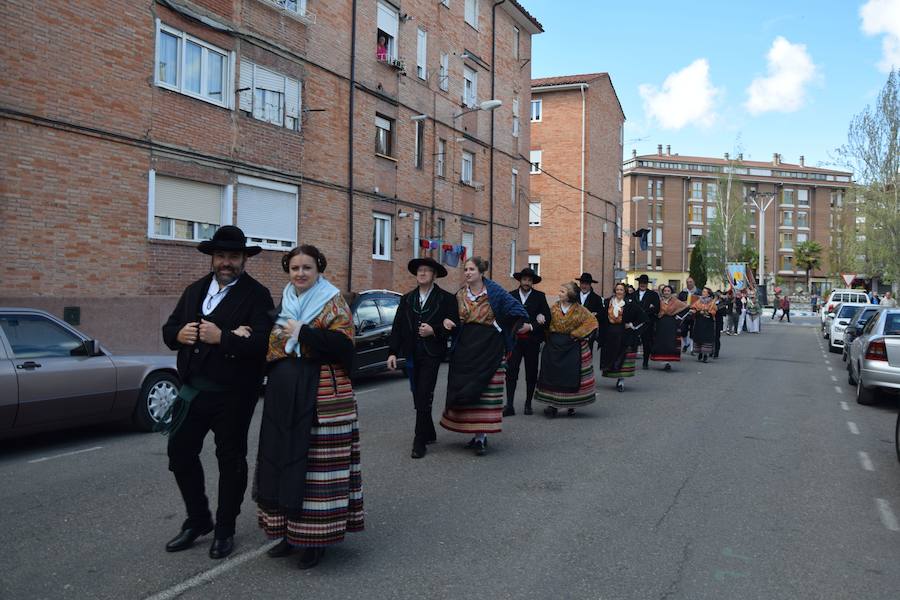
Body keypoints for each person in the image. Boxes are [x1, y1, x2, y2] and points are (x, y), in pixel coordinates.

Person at [161, 225, 274, 560]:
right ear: (212, 258)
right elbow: (169, 330)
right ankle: (199, 519)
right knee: (180, 453)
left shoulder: (257, 295)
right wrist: (178, 335)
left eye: (234, 257)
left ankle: (225, 529)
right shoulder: (194, 290)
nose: (227, 262)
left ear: (244, 260)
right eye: (221, 256)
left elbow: (265, 342)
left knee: (231, 461)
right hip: (193, 392)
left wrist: (222, 337)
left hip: (234, 395)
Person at [255, 245, 363, 570]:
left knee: (318, 469)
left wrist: (304, 333)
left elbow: (344, 345)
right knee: (284, 460)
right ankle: (288, 534)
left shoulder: (333, 301)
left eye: (307, 268)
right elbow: (274, 344)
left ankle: (317, 541)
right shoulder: (286, 300)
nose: (300, 273)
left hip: (323, 394)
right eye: (295, 268)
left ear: (319, 270)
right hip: (285, 392)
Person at [441, 257, 528, 455]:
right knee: (465, 388)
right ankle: (475, 434)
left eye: (471, 269)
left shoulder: (495, 292)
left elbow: (518, 311)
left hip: (490, 347)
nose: (468, 272)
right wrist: (448, 321)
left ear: (481, 272)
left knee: (485, 392)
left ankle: (481, 438)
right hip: (465, 348)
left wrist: (501, 327)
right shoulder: (460, 294)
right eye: (466, 269)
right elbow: (453, 317)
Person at [387, 257, 459, 459]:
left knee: (424, 392)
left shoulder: (446, 299)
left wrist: (434, 330)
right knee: (417, 393)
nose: (422, 273)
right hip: (412, 352)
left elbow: (454, 327)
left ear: (434, 275)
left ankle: (419, 441)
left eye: (427, 270)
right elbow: (398, 327)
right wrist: (392, 352)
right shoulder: (407, 298)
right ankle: (429, 431)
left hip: (432, 353)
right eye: (420, 270)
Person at [533, 282, 598, 417]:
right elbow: (546, 323)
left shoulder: (579, 309)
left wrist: (577, 334)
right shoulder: (553, 308)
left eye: (562, 292)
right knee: (553, 375)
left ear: (570, 295)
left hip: (572, 346)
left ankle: (571, 404)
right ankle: (552, 405)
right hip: (554, 346)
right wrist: (541, 319)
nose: (559, 293)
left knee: (571, 375)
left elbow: (592, 322)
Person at [505, 267, 551, 416]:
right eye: (524, 279)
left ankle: (528, 404)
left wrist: (532, 326)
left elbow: (547, 318)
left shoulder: (540, 296)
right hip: (515, 342)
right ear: (520, 280)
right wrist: (515, 327)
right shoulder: (510, 296)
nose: (526, 282)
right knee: (511, 372)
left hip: (532, 341)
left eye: (529, 280)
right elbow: (504, 317)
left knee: (531, 373)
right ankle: (510, 405)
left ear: (532, 282)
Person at [598, 282, 647, 392]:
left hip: (624, 334)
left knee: (622, 358)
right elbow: (601, 317)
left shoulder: (629, 303)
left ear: (625, 292)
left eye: (621, 290)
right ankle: (614, 374)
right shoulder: (607, 302)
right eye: (617, 290)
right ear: (615, 291)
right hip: (610, 334)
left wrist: (631, 325)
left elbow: (642, 317)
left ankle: (621, 380)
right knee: (611, 357)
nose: (619, 292)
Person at [649, 285, 689, 371]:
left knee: (670, 341)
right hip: (661, 322)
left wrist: (678, 317)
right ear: (662, 292)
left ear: (671, 292)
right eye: (665, 291)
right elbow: (654, 311)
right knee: (661, 341)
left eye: (668, 291)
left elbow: (686, 308)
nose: (666, 292)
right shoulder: (659, 301)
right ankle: (663, 361)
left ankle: (669, 361)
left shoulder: (675, 301)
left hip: (671, 323)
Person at [575, 272, 606, 353]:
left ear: (590, 285)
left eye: (587, 284)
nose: (584, 286)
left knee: (587, 355)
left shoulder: (597, 299)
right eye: (582, 283)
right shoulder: (573, 296)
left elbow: (602, 314)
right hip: (574, 331)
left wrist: (596, 315)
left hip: (589, 333)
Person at [634, 274, 660, 370]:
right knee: (633, 342)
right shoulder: (633, 294)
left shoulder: (653, 295)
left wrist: (645, 312)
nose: (642, 284)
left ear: (647, 284)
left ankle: (645, 361)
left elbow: (656, 308)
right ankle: (630, 360)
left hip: (647, 322)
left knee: (646, 343)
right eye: (641, 282)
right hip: (635, 322)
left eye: (644, 283)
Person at [690, 287, 717, 363]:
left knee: (706, 338)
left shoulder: (712, 302)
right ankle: (700, 353)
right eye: (703, 292)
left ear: (708, 294)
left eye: (705, 292)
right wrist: (698, 312)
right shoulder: (698, 301)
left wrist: (708, 312)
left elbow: (714, 311)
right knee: (699, 337)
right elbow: (693, 308)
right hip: (699, 321)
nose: (703, 293)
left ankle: (705, 354)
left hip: (708, 322)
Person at [678, 277, 700, 352]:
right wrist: (683, 303)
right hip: (685, 313)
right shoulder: (683, 292)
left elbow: (702, 301)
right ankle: (686, 343)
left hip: (695, 313)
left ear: (694, 282)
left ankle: (692, 349)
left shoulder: (698, 292)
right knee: (683, 330)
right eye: (687, 282)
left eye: (690, 282)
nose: (689, 283)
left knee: (693, 331)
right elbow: (678, 302)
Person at [713, 291, 726, 358]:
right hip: (711, 322)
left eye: (715, 297)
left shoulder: (722, 304)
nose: (714, 298)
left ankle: (716, 351)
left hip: (718, 322)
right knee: (711, 337)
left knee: (717, 337)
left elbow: (724, 313)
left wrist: (717, 310)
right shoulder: (711, 303)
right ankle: (711, 350)